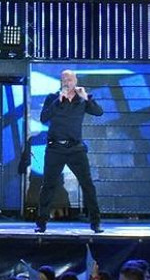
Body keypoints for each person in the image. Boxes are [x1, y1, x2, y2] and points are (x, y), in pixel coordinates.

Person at [35, 69, 105, 233]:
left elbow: (98, 112)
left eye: (70, 79)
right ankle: (41, 223)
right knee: (48, 186)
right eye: (64, 79)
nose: (67, 82)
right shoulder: (52, 98)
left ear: (75, 81)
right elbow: (44, 118)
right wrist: (58, 101)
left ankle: (96, 223)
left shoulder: (82, 100)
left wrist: (86, 97)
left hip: (75, 149)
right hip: (55, 148)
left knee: (88, 185)